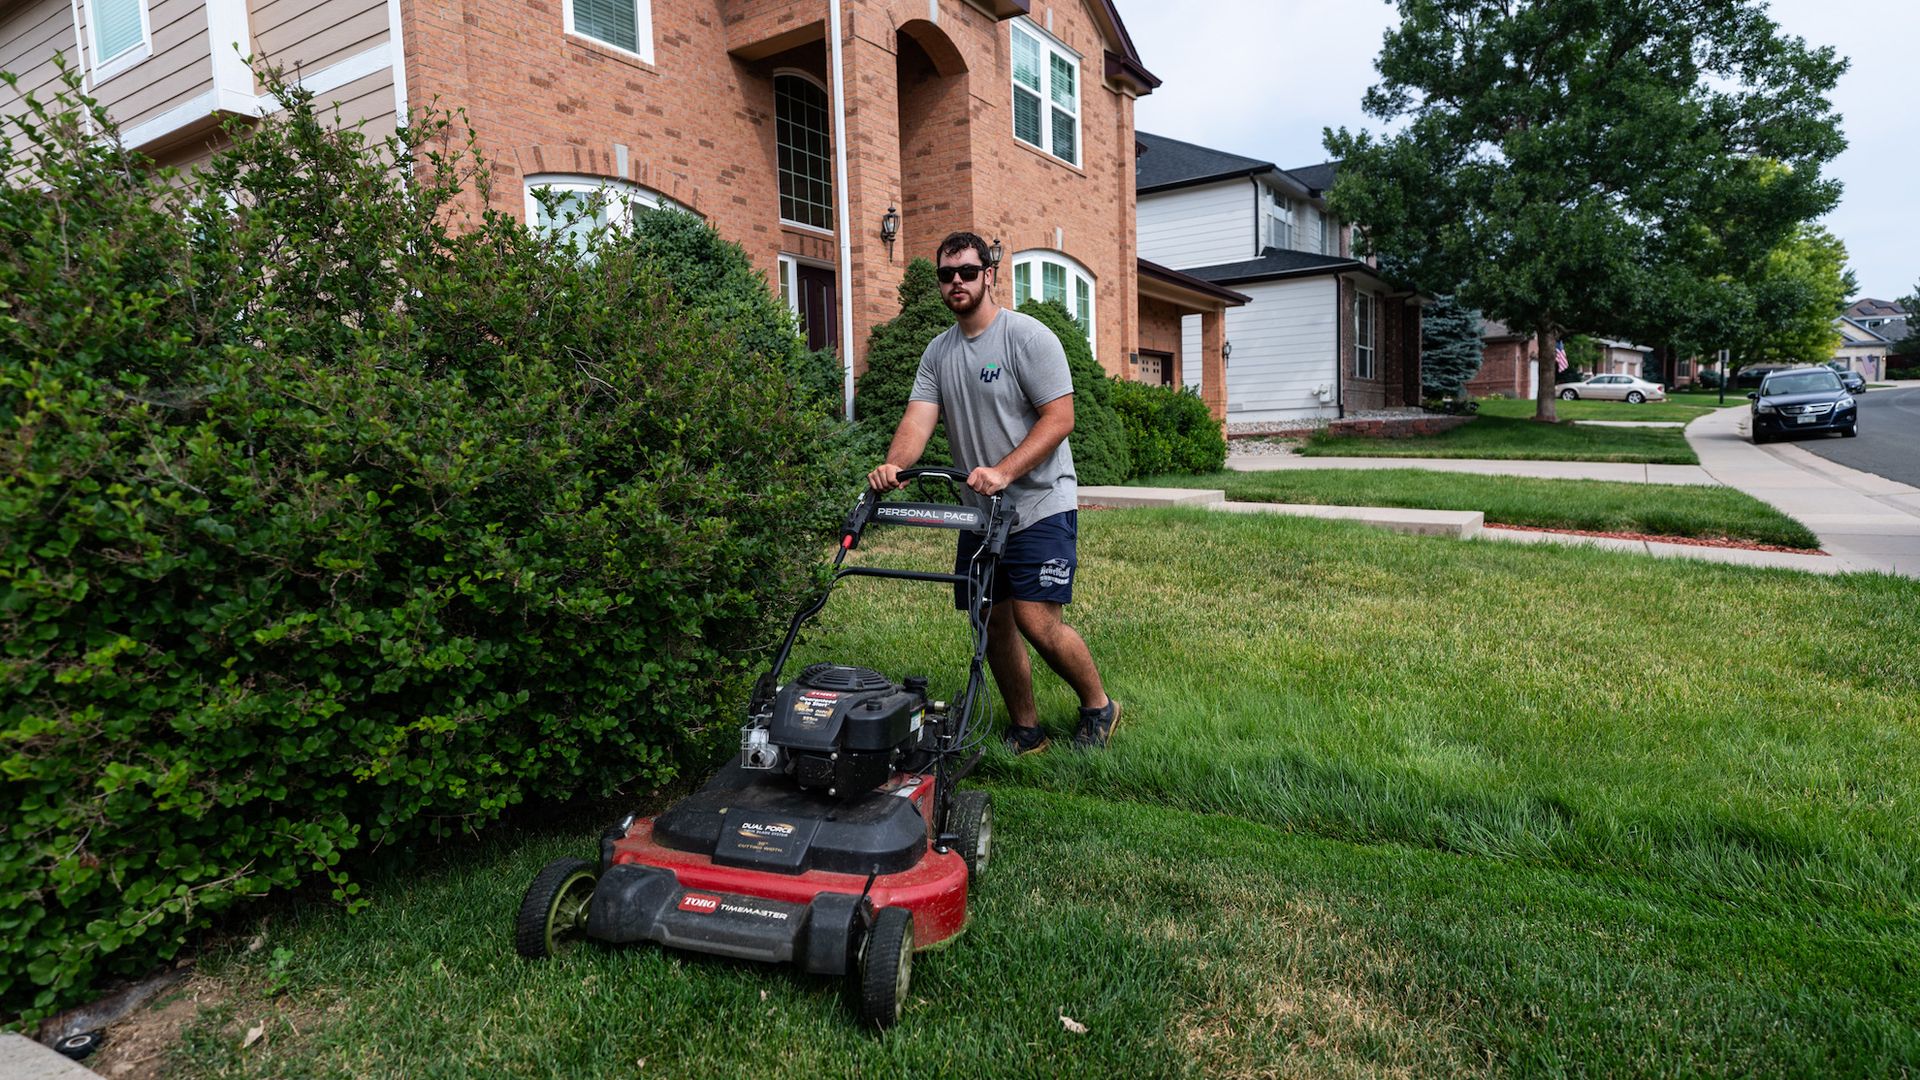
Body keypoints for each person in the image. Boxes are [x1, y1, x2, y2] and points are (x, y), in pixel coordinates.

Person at [866, 231, 1119, 754]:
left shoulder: (1026, 338)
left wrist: (1004, 472)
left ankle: (1099, 706)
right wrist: (895, 464)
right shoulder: (938, 352)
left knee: (1035, 617)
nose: (955, 281)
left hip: (1040, 501)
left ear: (989, 275)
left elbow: (1060, 418)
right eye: (945, 274)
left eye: (966, 271)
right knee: (991, 618)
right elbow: (918, 420)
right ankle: (1026, 730)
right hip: (980, 514)